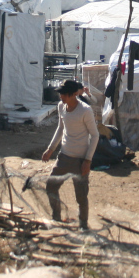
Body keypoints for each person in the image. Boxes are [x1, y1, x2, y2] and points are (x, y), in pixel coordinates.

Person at [41, 78, 99, 229]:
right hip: (64, 157)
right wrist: (50, 149)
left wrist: (88, 160)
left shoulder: (85, 111)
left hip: (80, 160)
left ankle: (83, 225)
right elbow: (61, 128)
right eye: (61, 94)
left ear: (74, 94)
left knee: (81, 196)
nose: (61, 97)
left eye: (65, 95)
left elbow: (95, 135)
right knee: (51, 187)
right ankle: (56, 218)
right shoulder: (61, 106)